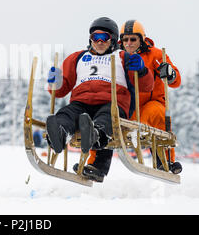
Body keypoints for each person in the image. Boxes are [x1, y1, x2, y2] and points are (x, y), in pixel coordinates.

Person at [46, 17, 154, 182]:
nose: (99, 42)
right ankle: (60, 133)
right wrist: (55, 81)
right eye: (95, 38)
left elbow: (146, 86)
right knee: (67, 113)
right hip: (81, 102)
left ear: (112, 40)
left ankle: (96, 134)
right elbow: (60, 91)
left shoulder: (123, 57)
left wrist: (141, 71)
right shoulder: (78, 58)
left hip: (112, 102)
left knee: (107, 117)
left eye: (104, 38)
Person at [91, 19, 182, 174]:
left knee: (157, 114)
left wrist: (170, 73)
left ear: (142, 39)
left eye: (133, 39)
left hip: (151, 103)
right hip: (128, 105)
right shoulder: (117, 56)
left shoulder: (156, 55)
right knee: (107, 119)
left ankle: (165, 162)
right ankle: (97, 165)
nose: (129, 43)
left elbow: (176, 81)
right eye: (125, 39)